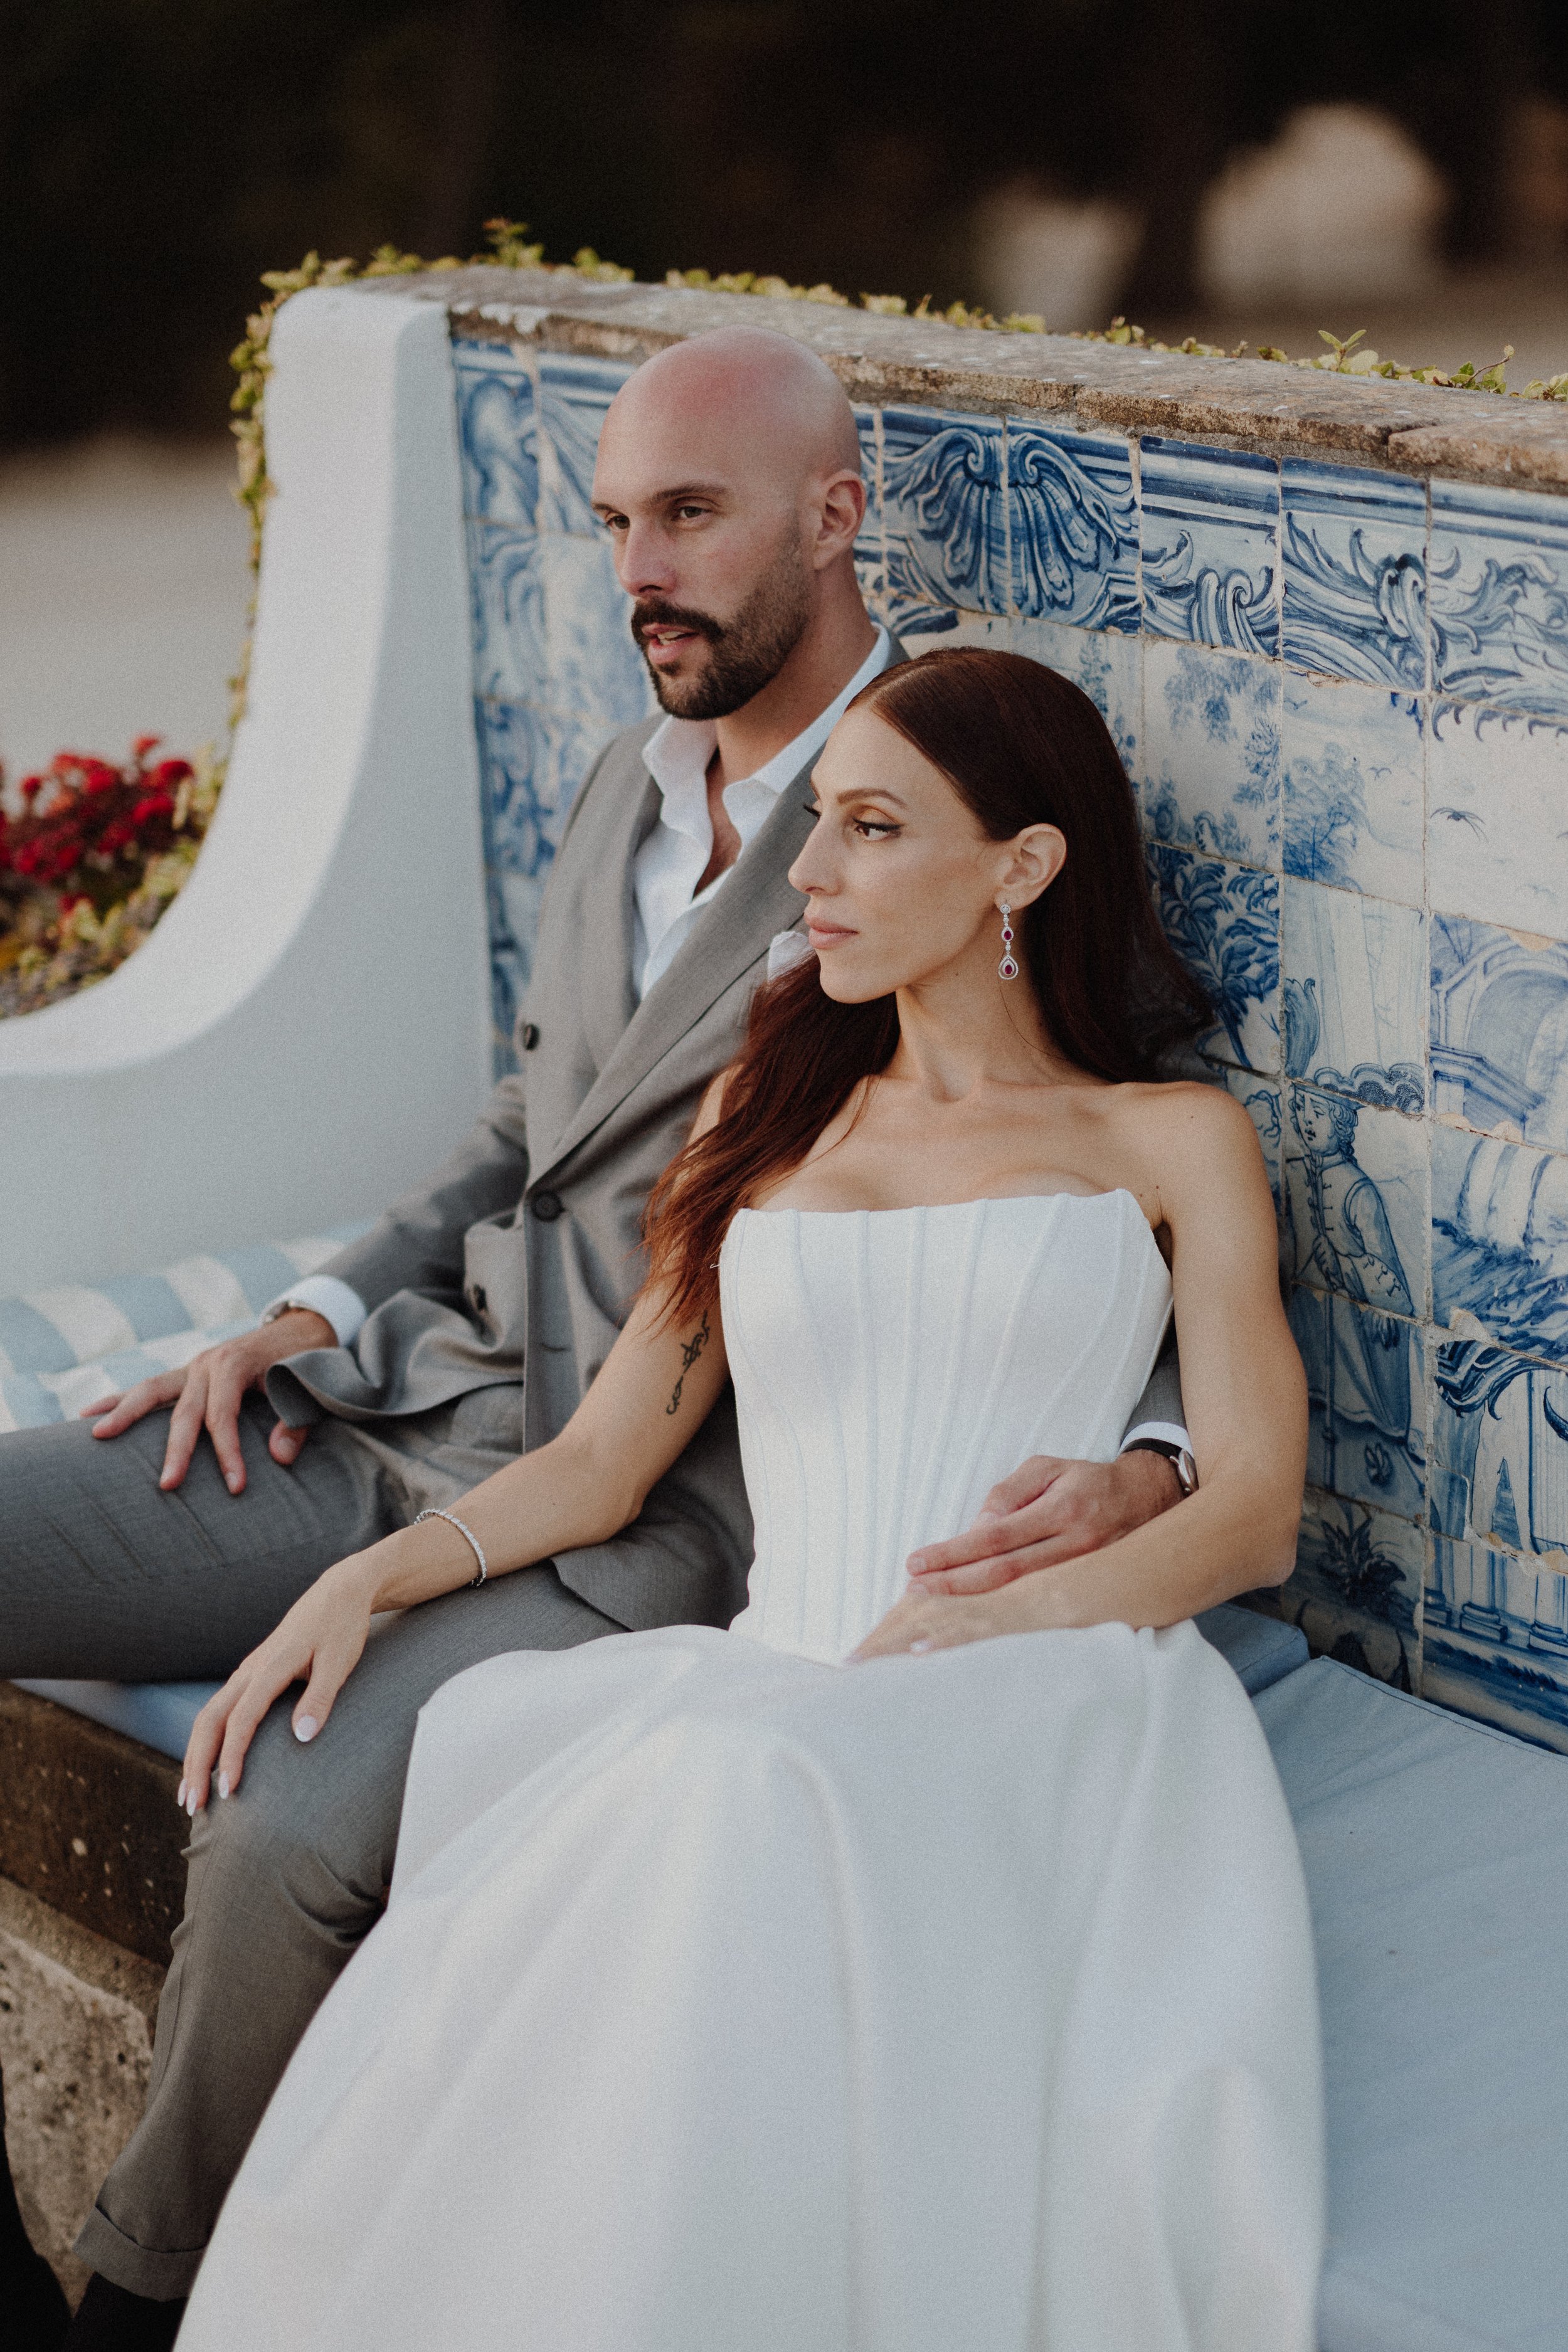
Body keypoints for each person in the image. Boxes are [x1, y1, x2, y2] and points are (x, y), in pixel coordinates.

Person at [0, 330, 1189, 2350]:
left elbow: (1102, 1137)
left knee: (278, 1836)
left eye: (691, 516)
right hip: (411, 1403)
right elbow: (527, 1121)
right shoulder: (624, 786)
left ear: (834, 516)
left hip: (648, 1517)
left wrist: (1146, 1456)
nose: (640, 570)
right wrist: (311, 1307)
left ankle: (135, 2302)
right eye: (617, 521)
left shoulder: (945, 811)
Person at [177, 647, 1323, 2352]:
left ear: (1020, 865)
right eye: (818, 823)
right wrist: (369, 1580)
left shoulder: (1169, 1140)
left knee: (737, 1788)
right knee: (665, 1797)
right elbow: (603, 1462)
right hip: (778, 1668)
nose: (810, 873)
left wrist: (993, 1618)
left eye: (873, 828)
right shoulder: (768, 1116)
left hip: (1044, 1683)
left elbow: (1254, 1512)